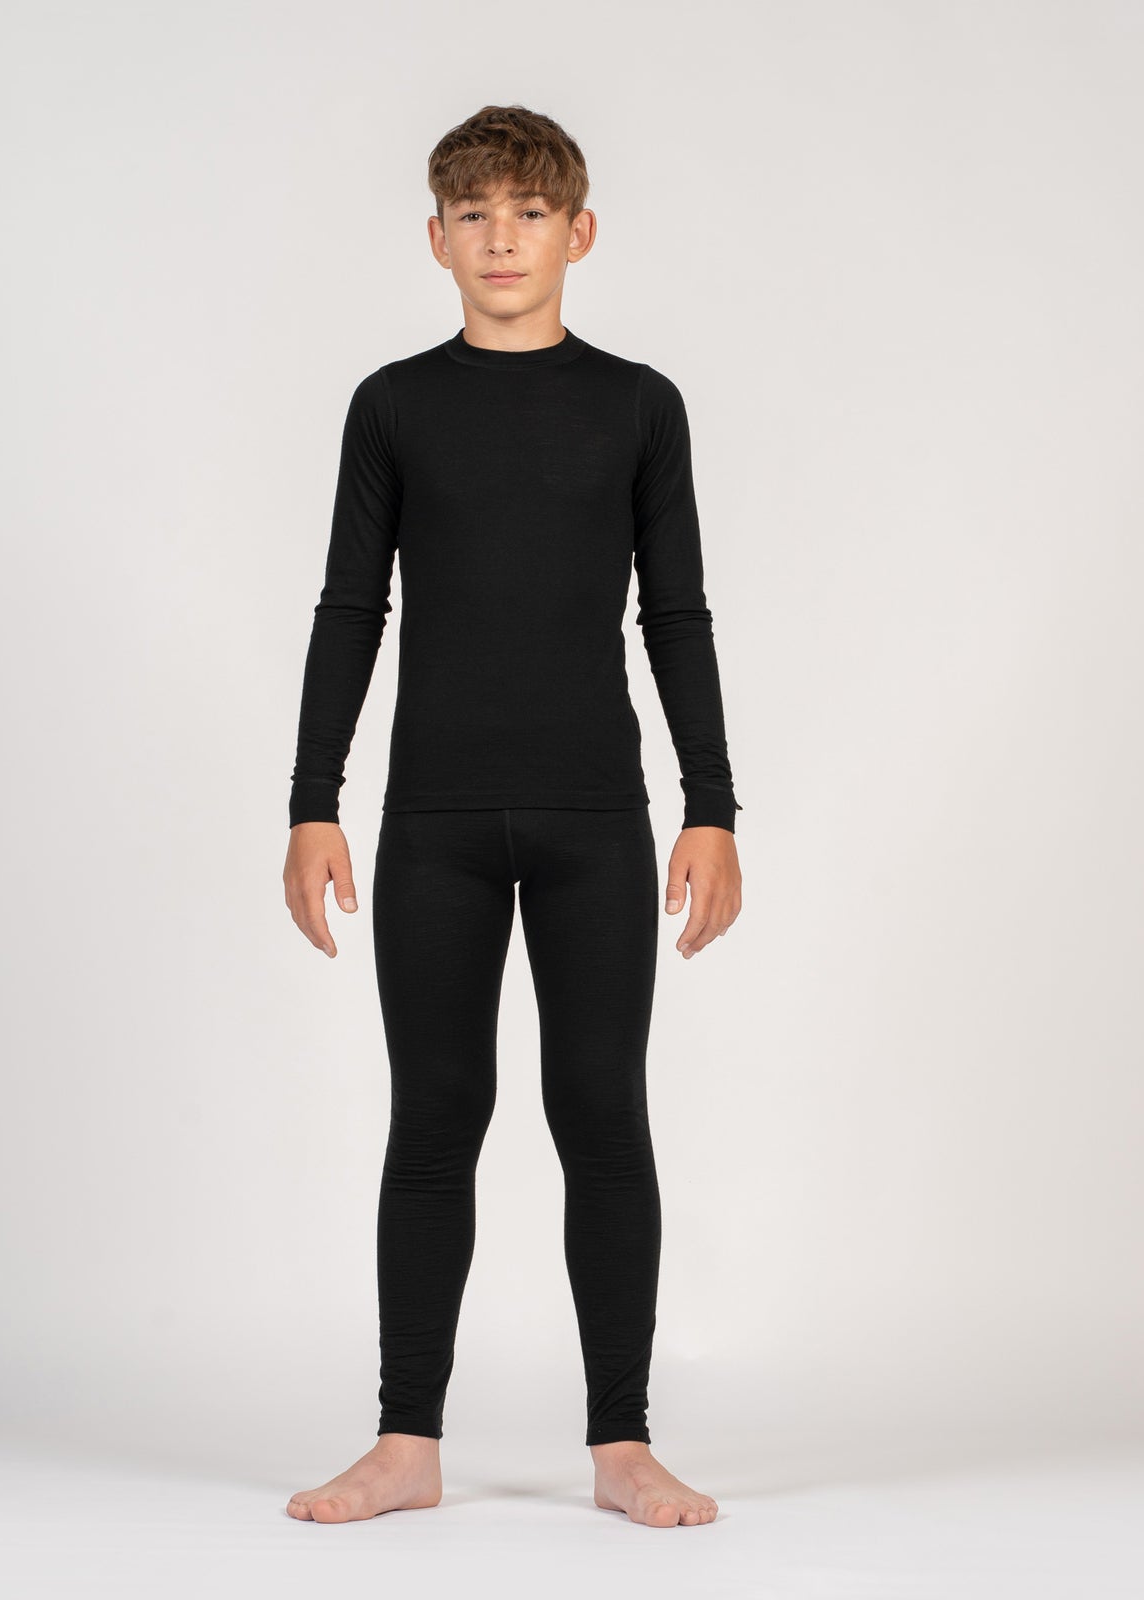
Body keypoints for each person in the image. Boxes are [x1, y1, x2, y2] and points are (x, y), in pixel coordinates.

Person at [282, 104, 742, 1528]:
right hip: (434, 823)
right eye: (474, 214)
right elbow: (351, 607)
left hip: (596, 817)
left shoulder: (639, 406)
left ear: (578, 233)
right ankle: (405, 1442)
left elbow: (677, 614)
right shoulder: (394, 406)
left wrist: (712, 807)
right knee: (435, 1119)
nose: (502, 239)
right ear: (436, 239)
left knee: (601, 1115)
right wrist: (312, 803)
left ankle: (624, 1445)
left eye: (529, 213)